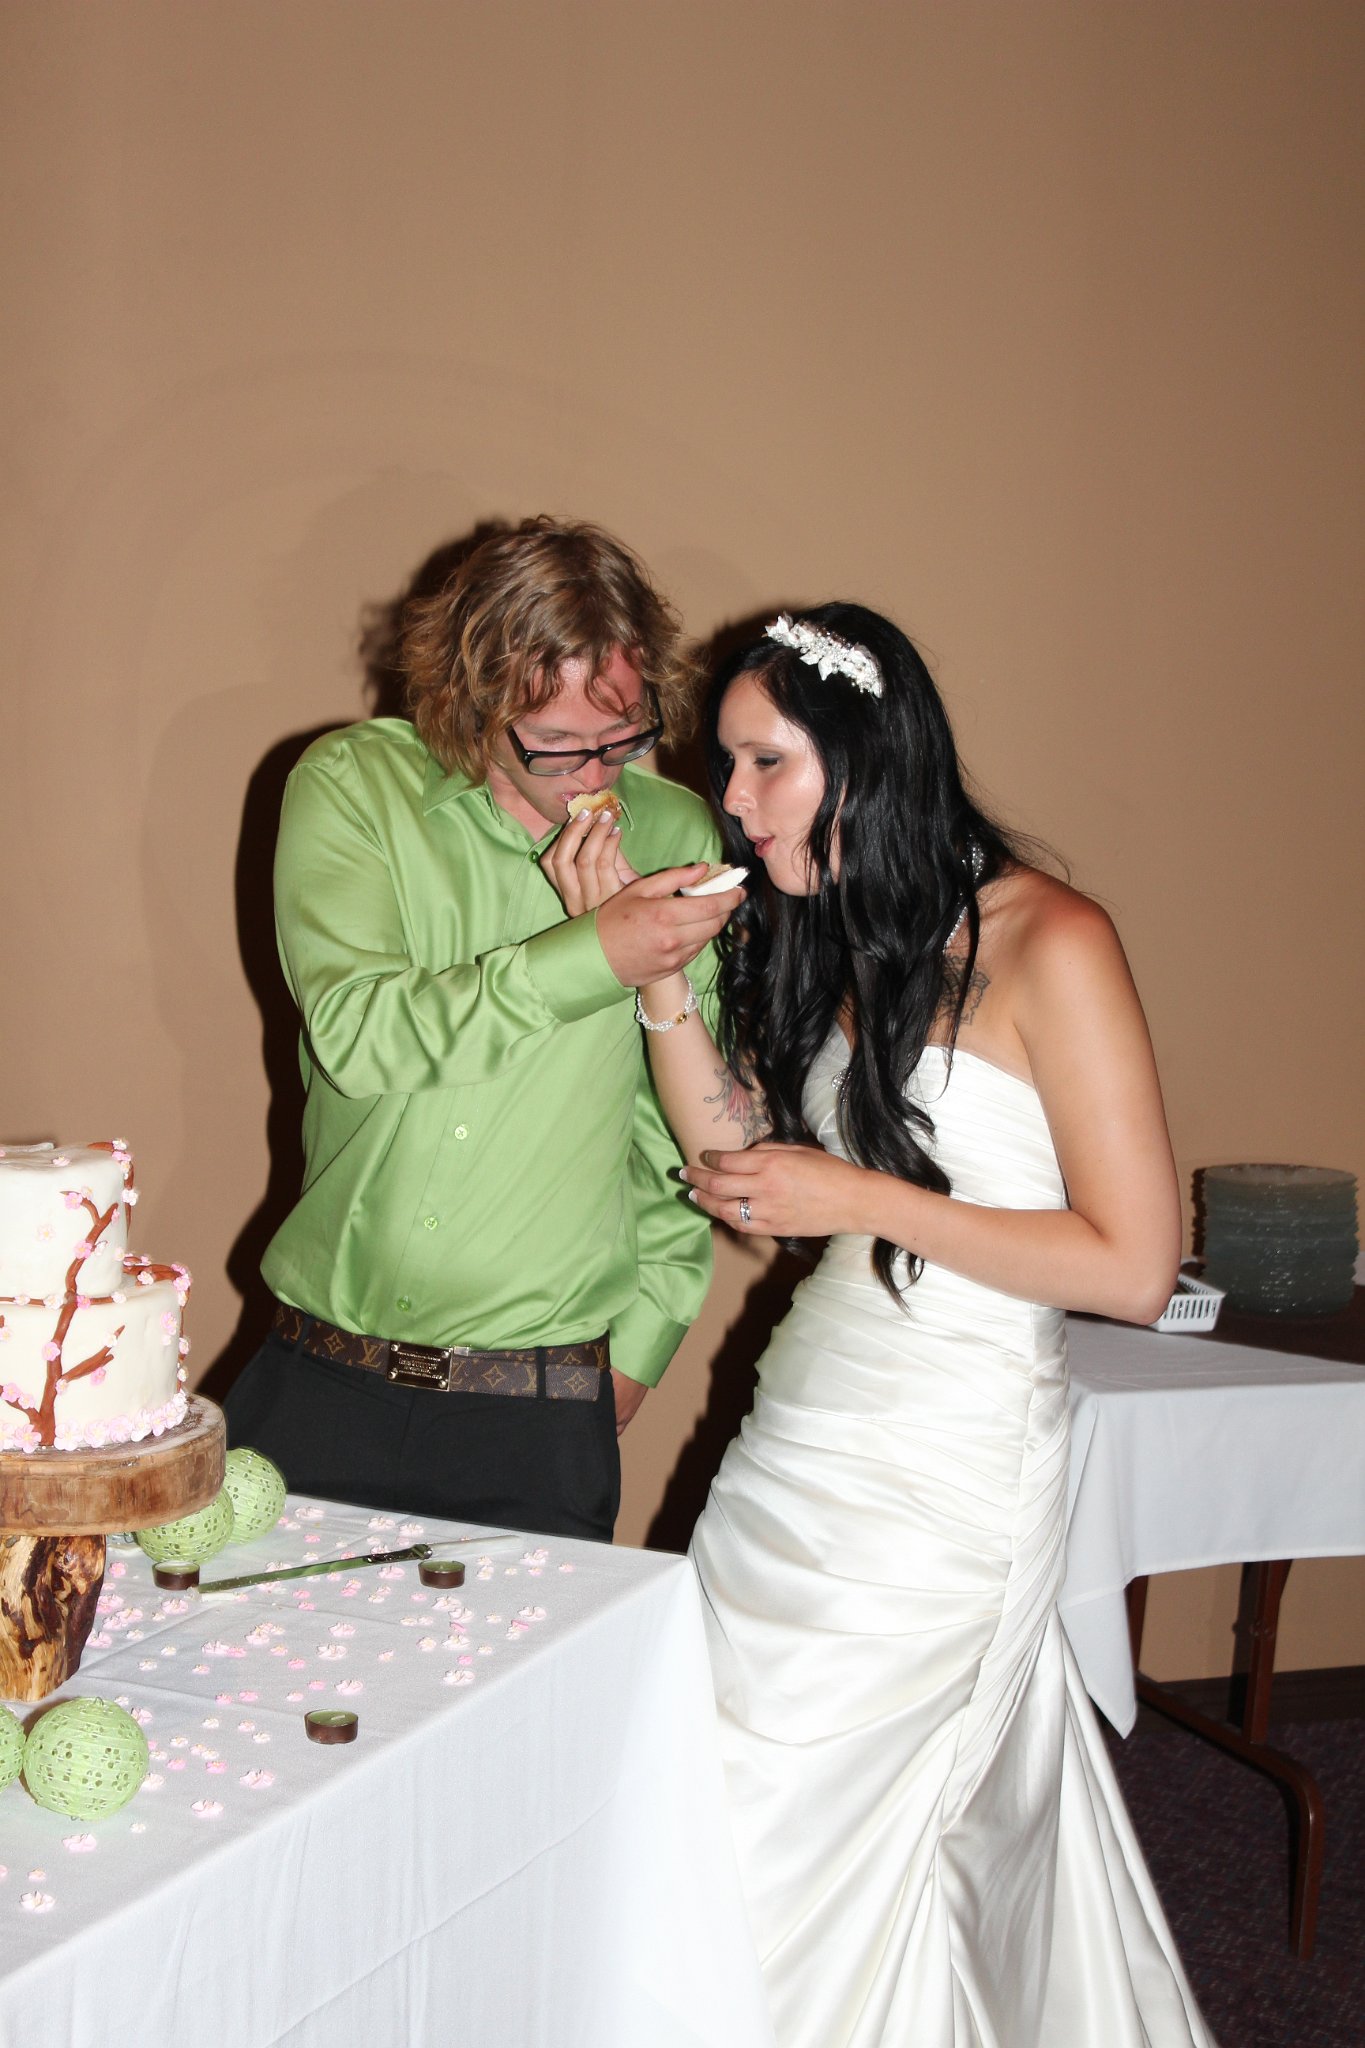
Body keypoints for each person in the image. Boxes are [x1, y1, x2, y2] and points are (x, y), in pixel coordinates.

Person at [544, 604, 1215, 2044]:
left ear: (868, 754)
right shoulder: (844, 934)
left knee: (786, 1806)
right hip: (801, 1435)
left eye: (765, 763)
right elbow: (742, 1172)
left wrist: (857, 1193)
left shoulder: (1054, 940)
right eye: (727, 766)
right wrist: (655, 980)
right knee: (708, 1774)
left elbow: (1133, 1267)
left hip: (951, 1460)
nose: (733, 802)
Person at [224, 517, 742, 1541]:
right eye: (555, 744)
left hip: (538, 1410)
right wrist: (594, 954)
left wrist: (642, 1344)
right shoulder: (352, 785)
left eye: (623, 735)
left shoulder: (675, 831)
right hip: (321, 1376)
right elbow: (359, 1034)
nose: (594, 777)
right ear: (473, 702)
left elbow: (667, 1132)